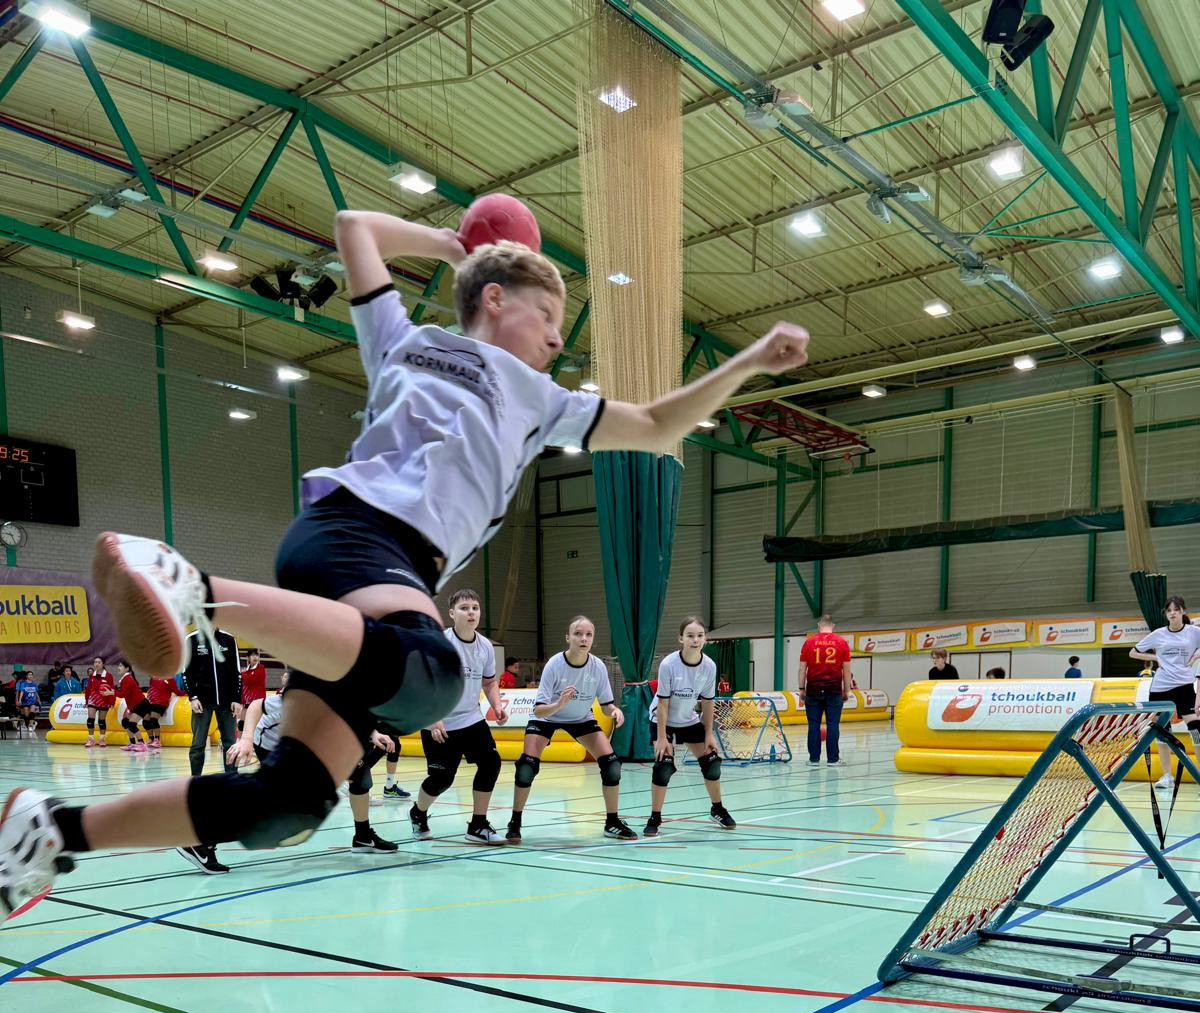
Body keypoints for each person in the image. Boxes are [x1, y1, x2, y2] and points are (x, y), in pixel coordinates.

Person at [0, 204, 809, 918]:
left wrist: (745, 365)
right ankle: (192, 591)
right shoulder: (443, 352)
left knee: (285, 805)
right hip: (363, 540)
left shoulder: (449, 359)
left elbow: (658, 425)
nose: (559, 337)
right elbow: (354, 229)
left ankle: (55, 829)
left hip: (356, 574)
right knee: (434, 674)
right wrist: (455, 246)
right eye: (549, 314)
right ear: (495, 299)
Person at [226, 673, 397, 856]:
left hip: (306, 738)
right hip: (270, 743)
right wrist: (246, 739)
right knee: (278, 802)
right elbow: (256, 706)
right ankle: (213, 831)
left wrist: (374, 734)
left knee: (359, 771)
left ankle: (363, 836)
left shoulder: (340, 689)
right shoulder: (302, 696)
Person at [507, 616, 635, 841]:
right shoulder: (555, 665)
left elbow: (606, 705)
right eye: (578, 634)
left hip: (580, 719)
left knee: (612, 765)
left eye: (588, 634)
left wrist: (614, 710)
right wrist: (558, 705)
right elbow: (539, 711)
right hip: (547, 717)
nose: (583, 638)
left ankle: (612, 822)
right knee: (527, 767)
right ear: (568, 637)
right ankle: (515, 822)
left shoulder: (598, 667)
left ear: (593, 639)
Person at [409, 588, 509, 845]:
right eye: (464, 608)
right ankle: (418, 812)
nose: (471, 612)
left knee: (491, 762)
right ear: (452, 614)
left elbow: (489, 682)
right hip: (439, 720)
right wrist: (434, 718)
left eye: (475, 608)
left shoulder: (485, 646)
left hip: (470, 718)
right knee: (442, 779)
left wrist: (497, 706)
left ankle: (478, 825)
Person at [644, 616, 734, 837]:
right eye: (690, 636)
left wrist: (709, 734)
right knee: (663, 766)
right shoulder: (669, 664)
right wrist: (662, 738)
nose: (695, 640)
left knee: (711, 762)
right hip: (662, 719)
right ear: (681, 638)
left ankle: (717, 809)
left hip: (688, 719)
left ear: (705, 639)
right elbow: (663, 704)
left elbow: (708, 701)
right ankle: (655, 817)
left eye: (700, 636)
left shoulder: (709, 666)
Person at [177, 626, 241, 874]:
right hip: (202, 702)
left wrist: (236, 698)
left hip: (226, 702)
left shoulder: (229, 639)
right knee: (198, 744)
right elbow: (186, 671)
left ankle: (231, 778)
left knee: (230, 743)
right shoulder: (192, 639)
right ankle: (196, 779)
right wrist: (192, 696)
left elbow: (236, 671)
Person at [1130, 596, 1200, 791]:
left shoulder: (1193, 632)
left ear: (1183, 611)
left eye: (1176, 609)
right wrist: (1155, 658)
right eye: (1169, 610)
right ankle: (1167, 776)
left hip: (1184, 686)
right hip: (1160, 687)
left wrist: (1196, 655)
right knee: (1162, 733)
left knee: (1196, 731)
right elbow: (1133, 652)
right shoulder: (1158, 634)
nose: (1172, 613)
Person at [798, 615, 852, 767]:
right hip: (833, 689)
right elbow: (847, 670)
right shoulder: (842, 642)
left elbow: (802, 669)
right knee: (833, 724)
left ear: (818, 625)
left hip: (813, 688)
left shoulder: (809, 642)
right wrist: (846, 690)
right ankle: (833, 759)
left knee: (813, 724)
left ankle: (814, 759)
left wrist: (801, 688)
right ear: (832, 625)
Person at [114, 661, 151, 752]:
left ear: (127, 668)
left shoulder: (127, 679)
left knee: (132, 724)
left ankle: (141, 744)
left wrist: (111, 692)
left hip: (142, 704)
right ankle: (132, 743)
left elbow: (122, 694)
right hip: (136, 706)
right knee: (125, 722)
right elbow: (128, 696)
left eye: (121, 666)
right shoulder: (124, 679)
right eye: (118, 665)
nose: (118, 667)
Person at [144, 673, 185, 750]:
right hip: (150, 702)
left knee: (153, 720)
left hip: (160, 703)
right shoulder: (153, 677)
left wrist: (185, 693)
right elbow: (151, 688)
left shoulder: (169, 679)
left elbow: (176, 690)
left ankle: (157, 740)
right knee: (145, 721)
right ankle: (151, 739)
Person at [83, 657, 115, 748]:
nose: (97, 664)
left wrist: (111, 701)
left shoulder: (108, 676)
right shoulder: (92, 675)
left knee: (101, 721)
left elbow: (112, 689)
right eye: (95, 662)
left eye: (99, 662)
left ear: (103, 664)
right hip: (92, 700)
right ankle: (91, 739)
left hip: (104, 701)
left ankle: (102, 739)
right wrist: (86, 700)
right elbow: (88, 689)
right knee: (90, 719)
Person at [236, 650, 267, 739]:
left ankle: (256, 743)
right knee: (241, 724)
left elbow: (251, 679)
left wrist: (242, 674)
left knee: (256, 725)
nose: (255, 657)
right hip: (247, 701)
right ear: (248, 658)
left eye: (256, 655)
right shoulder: (246, 670)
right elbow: (243, 686)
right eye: (252, 655)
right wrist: (241, 701)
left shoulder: (261, 668)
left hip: (257, 702)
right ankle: (239, 742)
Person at [14, 671, 39, 736]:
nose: (30, 676)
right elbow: (20, 692)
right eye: (29, 675)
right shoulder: (21, 683)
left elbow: (36, 693)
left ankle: (30, 725)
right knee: (26, 714)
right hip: (24, 701)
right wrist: (18, 700)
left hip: (32, 701)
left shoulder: (34, 684)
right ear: (26, 676)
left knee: (32, 710)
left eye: (31, 675)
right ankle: (32, 723)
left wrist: (38, 700)